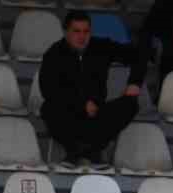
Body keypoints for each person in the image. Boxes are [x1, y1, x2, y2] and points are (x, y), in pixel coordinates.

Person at [39, 11, 148, 167]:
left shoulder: (101, 47)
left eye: (86, 31)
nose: (82, 37)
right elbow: (48, 91)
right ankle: (74, 152)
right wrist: (81, 104)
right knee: (48, 108)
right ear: (66, 32)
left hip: (97, 115)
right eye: (76, 31)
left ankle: (92, 152)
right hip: (69, 115)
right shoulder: (54, 53)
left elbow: (140, 55)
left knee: (130, 104)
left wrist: (134, 83)